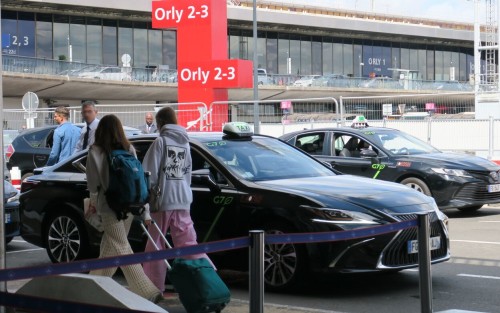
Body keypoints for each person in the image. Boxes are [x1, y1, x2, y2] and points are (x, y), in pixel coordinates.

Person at [85, 114, 164, 303]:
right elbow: (138, 182)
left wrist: (92, 205)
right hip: (128, 206)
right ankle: (93, 288)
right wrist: (144, 210)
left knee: (120, 247)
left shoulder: (95, 150)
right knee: (110, 249)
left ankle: (147, 292)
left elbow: (93, 184)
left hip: (108, 206)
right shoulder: (129, 149)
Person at [142, 107, 214, 292]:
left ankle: (153, 288)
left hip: (163, 201)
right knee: (189, 244)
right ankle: (207, 281)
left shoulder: (160, 142)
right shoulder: (185, 143)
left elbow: (149, 174)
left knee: (156, 244)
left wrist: (146, 198)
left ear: (160, 123)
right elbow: (187, 174)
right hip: (183, 199)